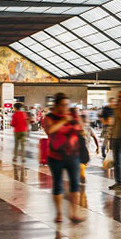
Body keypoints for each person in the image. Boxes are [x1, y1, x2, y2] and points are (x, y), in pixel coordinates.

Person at [42, 93, 85, 223]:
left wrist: (77, 116)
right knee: (58, 184)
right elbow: (50, 131)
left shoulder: (72, 115)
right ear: (57, 105)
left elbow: (81, 129)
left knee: (75, 184)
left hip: (73, 155)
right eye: (64, 105)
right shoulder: (49, 117)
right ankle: (59, 213)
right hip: (55, 157)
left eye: (68, 105)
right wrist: (63, 121)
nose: (67, 107)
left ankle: (74, 213)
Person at [108, 92, 121, 190]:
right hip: (115, 137)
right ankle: (118, 182)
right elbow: (114, 123)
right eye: (119, 97)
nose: (119, 99)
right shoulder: (115, 109)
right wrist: (110, 137)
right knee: (117, 162)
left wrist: (120, 108)